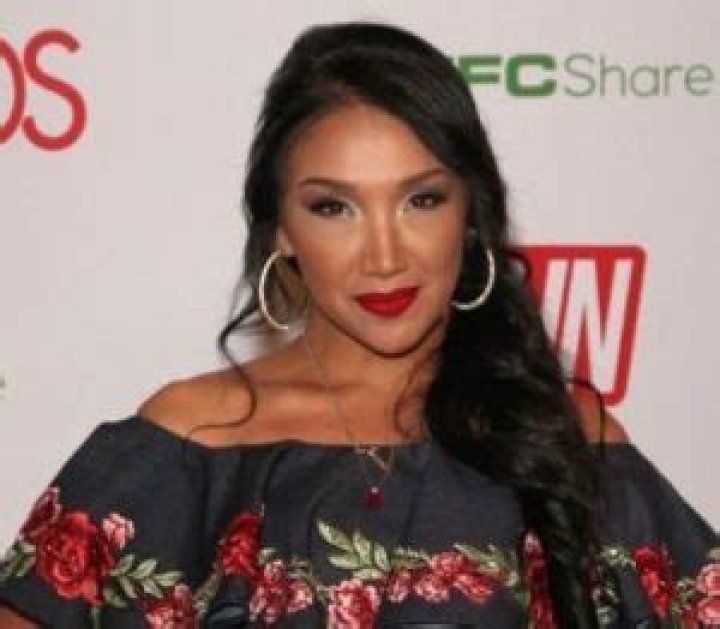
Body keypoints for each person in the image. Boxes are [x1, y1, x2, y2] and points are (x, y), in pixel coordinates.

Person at [0, 20, 717, 629]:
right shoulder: (187, 446)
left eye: (421, 200)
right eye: (334, 207)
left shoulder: (569, 441)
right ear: (281, 228)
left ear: (471, 214)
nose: (384, 256)